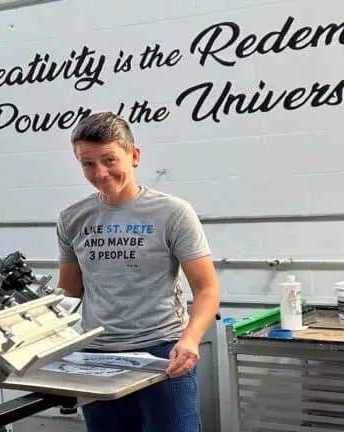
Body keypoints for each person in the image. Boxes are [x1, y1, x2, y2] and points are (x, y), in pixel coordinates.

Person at [55, 112, 220, 432]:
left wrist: (190, 340)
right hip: (97, 356)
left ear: (134, 156)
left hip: (164, 354)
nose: (100, 173)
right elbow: (70, 293)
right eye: (88, 164)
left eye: (109, 160)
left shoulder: (173, 212)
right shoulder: (72, 218)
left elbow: (207, 289)